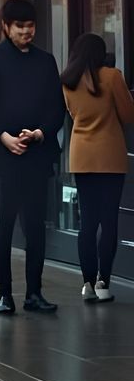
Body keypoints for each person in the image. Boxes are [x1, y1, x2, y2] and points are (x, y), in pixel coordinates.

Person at [0, 0, 65, 316]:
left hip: (37, 153)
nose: (26, 32)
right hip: (5, 155)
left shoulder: (46, 61)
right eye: (20, 26)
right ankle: (4, 293)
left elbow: (56, 106)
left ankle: (34, 292)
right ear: (6, 27)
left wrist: (39, 133)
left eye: (31, 26)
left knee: (36, 225)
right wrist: (4, 137)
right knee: (6, 224)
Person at [61, 34, 133, 305]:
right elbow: (128, 114)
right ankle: (104, 282)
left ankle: (87, 283)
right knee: (108, 221)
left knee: (87, 223)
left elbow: (72, 114)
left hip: (81, 157)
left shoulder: (68, 81)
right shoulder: (112, 77)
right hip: (110, 157)